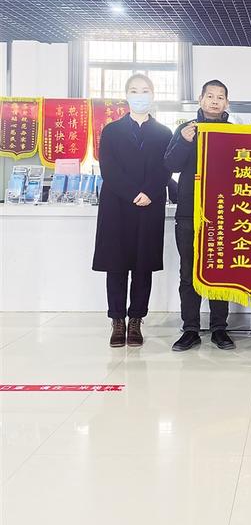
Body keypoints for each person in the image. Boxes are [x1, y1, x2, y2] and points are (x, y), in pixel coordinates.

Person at [92, 73, 172, 348]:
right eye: (135, 91)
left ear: (153, 95)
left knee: (142, 266)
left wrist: (149, 192)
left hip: (150, 206)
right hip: (117, 205)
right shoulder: (111, 130)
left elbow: (166, 168)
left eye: (145, 90)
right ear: (126, 95)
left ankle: (136, 319)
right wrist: (132, 193)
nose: (140, 95)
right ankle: (117, 320)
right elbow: (108, 168)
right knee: (116, 265)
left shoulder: (164, 133)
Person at [164, 80, 234, 351]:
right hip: (189, 213)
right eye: (210, 96)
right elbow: (170, 165)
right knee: (188, 272)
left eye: (220, 97)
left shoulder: (233, 132)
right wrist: (184, 142)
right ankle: (190, 329)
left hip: (223, 214)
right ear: (201, 99)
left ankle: (219, 328)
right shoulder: (186, 129)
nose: (215, 101)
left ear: (227, 102)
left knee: (220, 271)